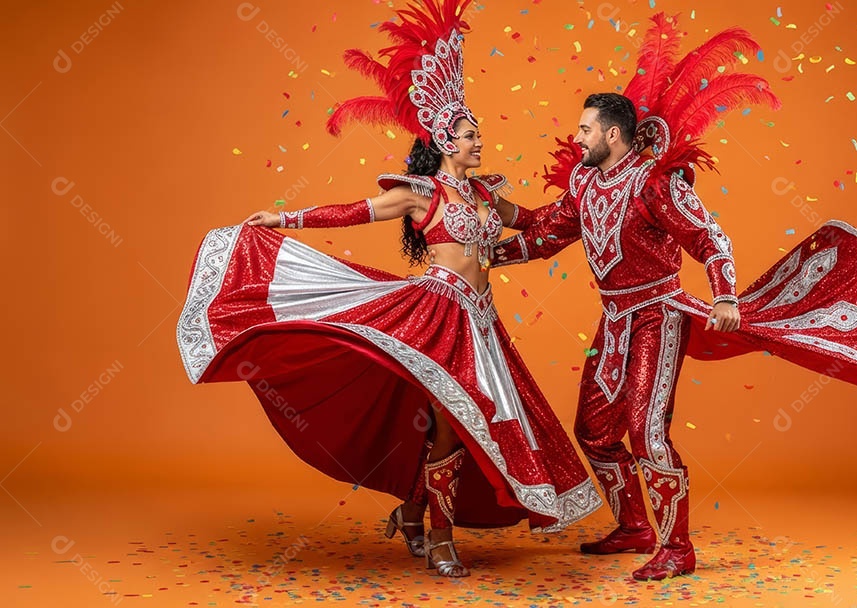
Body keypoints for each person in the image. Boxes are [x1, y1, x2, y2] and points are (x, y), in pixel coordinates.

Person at [177, 0, 601, 579]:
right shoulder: (421, 194)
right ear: (446, 141)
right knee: (452, 420)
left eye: (479, 136)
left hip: (480, 322)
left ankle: (411, 513)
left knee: (460, 422)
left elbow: (537, 222)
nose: (480, 144)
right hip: (434, 313)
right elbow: (354, 211)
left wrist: (591, 188)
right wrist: (282, 220)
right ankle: (443, 538)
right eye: (471, 136)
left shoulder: (484, 197)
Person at [493, 14, 857, 581]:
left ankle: (677, 548)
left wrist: (726, 298)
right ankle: (635, 527)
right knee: (593, 431)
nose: (579, 138)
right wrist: (487, 237)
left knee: (645, 432)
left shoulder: (654, 182)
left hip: (658, 315)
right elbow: (545, 230)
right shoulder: (587, 184)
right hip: (614, 320)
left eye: (587, 129)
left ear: (613, 134)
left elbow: (709, 237)